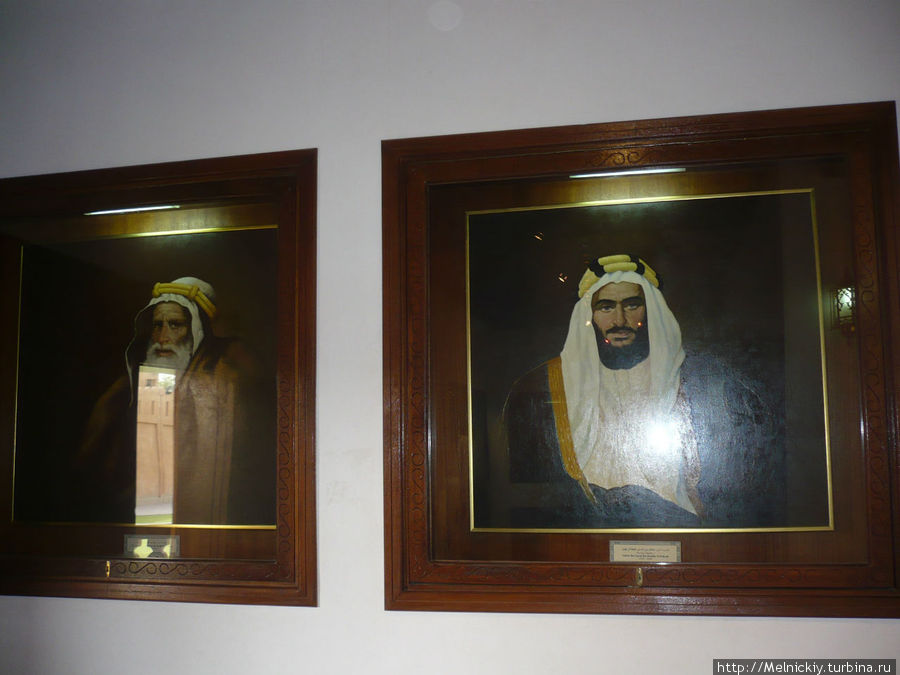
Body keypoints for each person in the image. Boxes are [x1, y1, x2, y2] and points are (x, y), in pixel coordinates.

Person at [502, 255, 706, 528]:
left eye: (632, 305)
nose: (620, 320)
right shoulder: (538, 388)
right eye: (606, 307)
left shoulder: (695, 380)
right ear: (589, 315)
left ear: (651, 310)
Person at [75, 277, 275, 525]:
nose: (162, 337)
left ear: (198, 330)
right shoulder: (128, 387)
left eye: (175, 325)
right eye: (157, 325)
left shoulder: (228, 375)